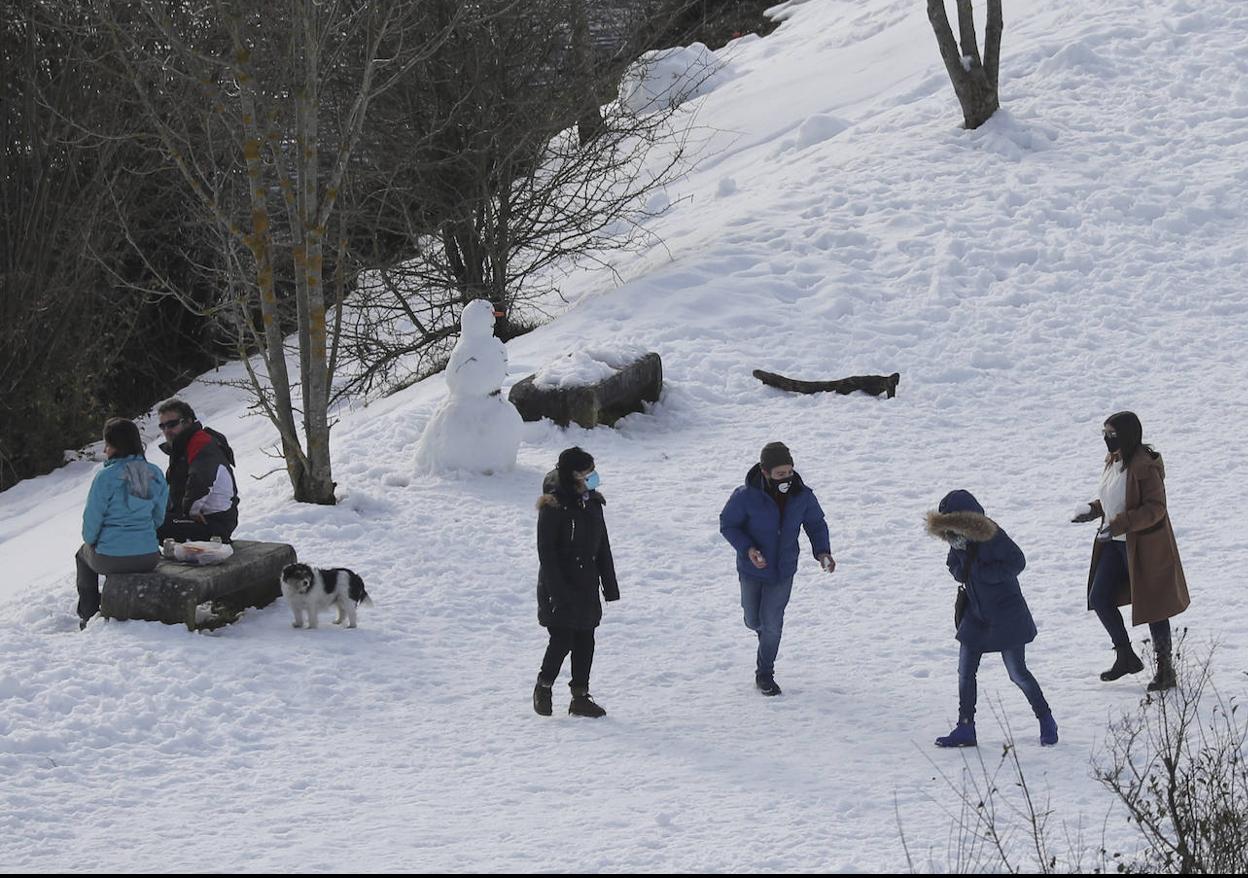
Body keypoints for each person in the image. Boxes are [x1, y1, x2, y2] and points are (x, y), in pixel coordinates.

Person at [927, 490, 1058, 748]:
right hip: (976, 615)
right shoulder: (956, 540)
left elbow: (1017, 562)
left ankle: (1046, 718)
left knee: (1017, 673)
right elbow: (952, 565)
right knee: (965, 672)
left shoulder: (993, 536)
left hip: (1006, 615)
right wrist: (961, 571)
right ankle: (966, 726)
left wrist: (981, 573)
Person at [1072, 411, 1189, 692]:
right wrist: (1094, 510)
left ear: (1126, 434)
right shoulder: (1114, 461)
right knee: (1099, 598)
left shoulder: (1144, 467)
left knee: (1153, 607)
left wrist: (1121, 523)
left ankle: (1165, 670)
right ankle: (1125, 655)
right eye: (1104, 434)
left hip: (1143, 547)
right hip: (1114, 544)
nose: (1106, 439)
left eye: (1111, 434)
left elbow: (1156, 509)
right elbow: (1113, 498)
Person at [719, 441, 834, 696]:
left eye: (790, 472)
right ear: (765, 472)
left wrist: (823, 552)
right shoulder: (745, 496)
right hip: (752, 570)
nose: (787, 478)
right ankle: (765, 638)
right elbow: (728, 525)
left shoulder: (802, 495)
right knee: (753, 620)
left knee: (772, 623)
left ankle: (765, 673)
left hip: (783, 570)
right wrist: (748, 549)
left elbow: (815, 524)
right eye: (780, 474)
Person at [533, 447, 619, 718]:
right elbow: (547, 554)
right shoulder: (553, 508)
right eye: (587, 472)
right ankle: (544, 686)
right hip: (559, 585)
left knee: (586, 640)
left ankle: (580, 696)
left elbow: (602, 545)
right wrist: (557, 595)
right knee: (562, 639)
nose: (593, 477)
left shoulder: (592, 503)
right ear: (573, 475)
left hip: (587, 584)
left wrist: (609, 585)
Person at [76, 418, 169, 629]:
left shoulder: (105, 478)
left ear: (114, 446)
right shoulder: (154, 473)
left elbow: (92, 520)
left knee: (82, 556)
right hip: (148, 557)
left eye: (107, 445)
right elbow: (158, 517)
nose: (105, 450)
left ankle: (88, 614)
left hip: (110, 558)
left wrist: (91, 543)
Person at [155, 398, 239, 543]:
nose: (167, 431)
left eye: (172, 424)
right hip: (203, 519)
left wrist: (190, 512)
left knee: (150, 525)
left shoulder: (201, 444)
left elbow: (200, 482)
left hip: (213, 522)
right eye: (162, 426)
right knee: (148, 520)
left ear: (188, 422)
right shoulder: (182, 447)